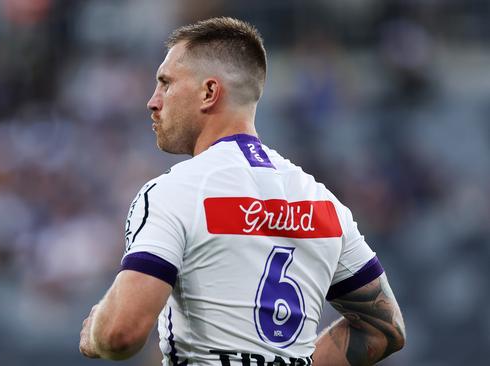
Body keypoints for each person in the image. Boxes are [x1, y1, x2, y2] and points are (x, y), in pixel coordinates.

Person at [79, 17, 405, 366]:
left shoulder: (175, 192)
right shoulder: (323, 204)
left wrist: (94, 331)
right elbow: (384, 328)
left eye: (165, 83)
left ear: (209, 92)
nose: (153, 101)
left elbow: (121, 334)